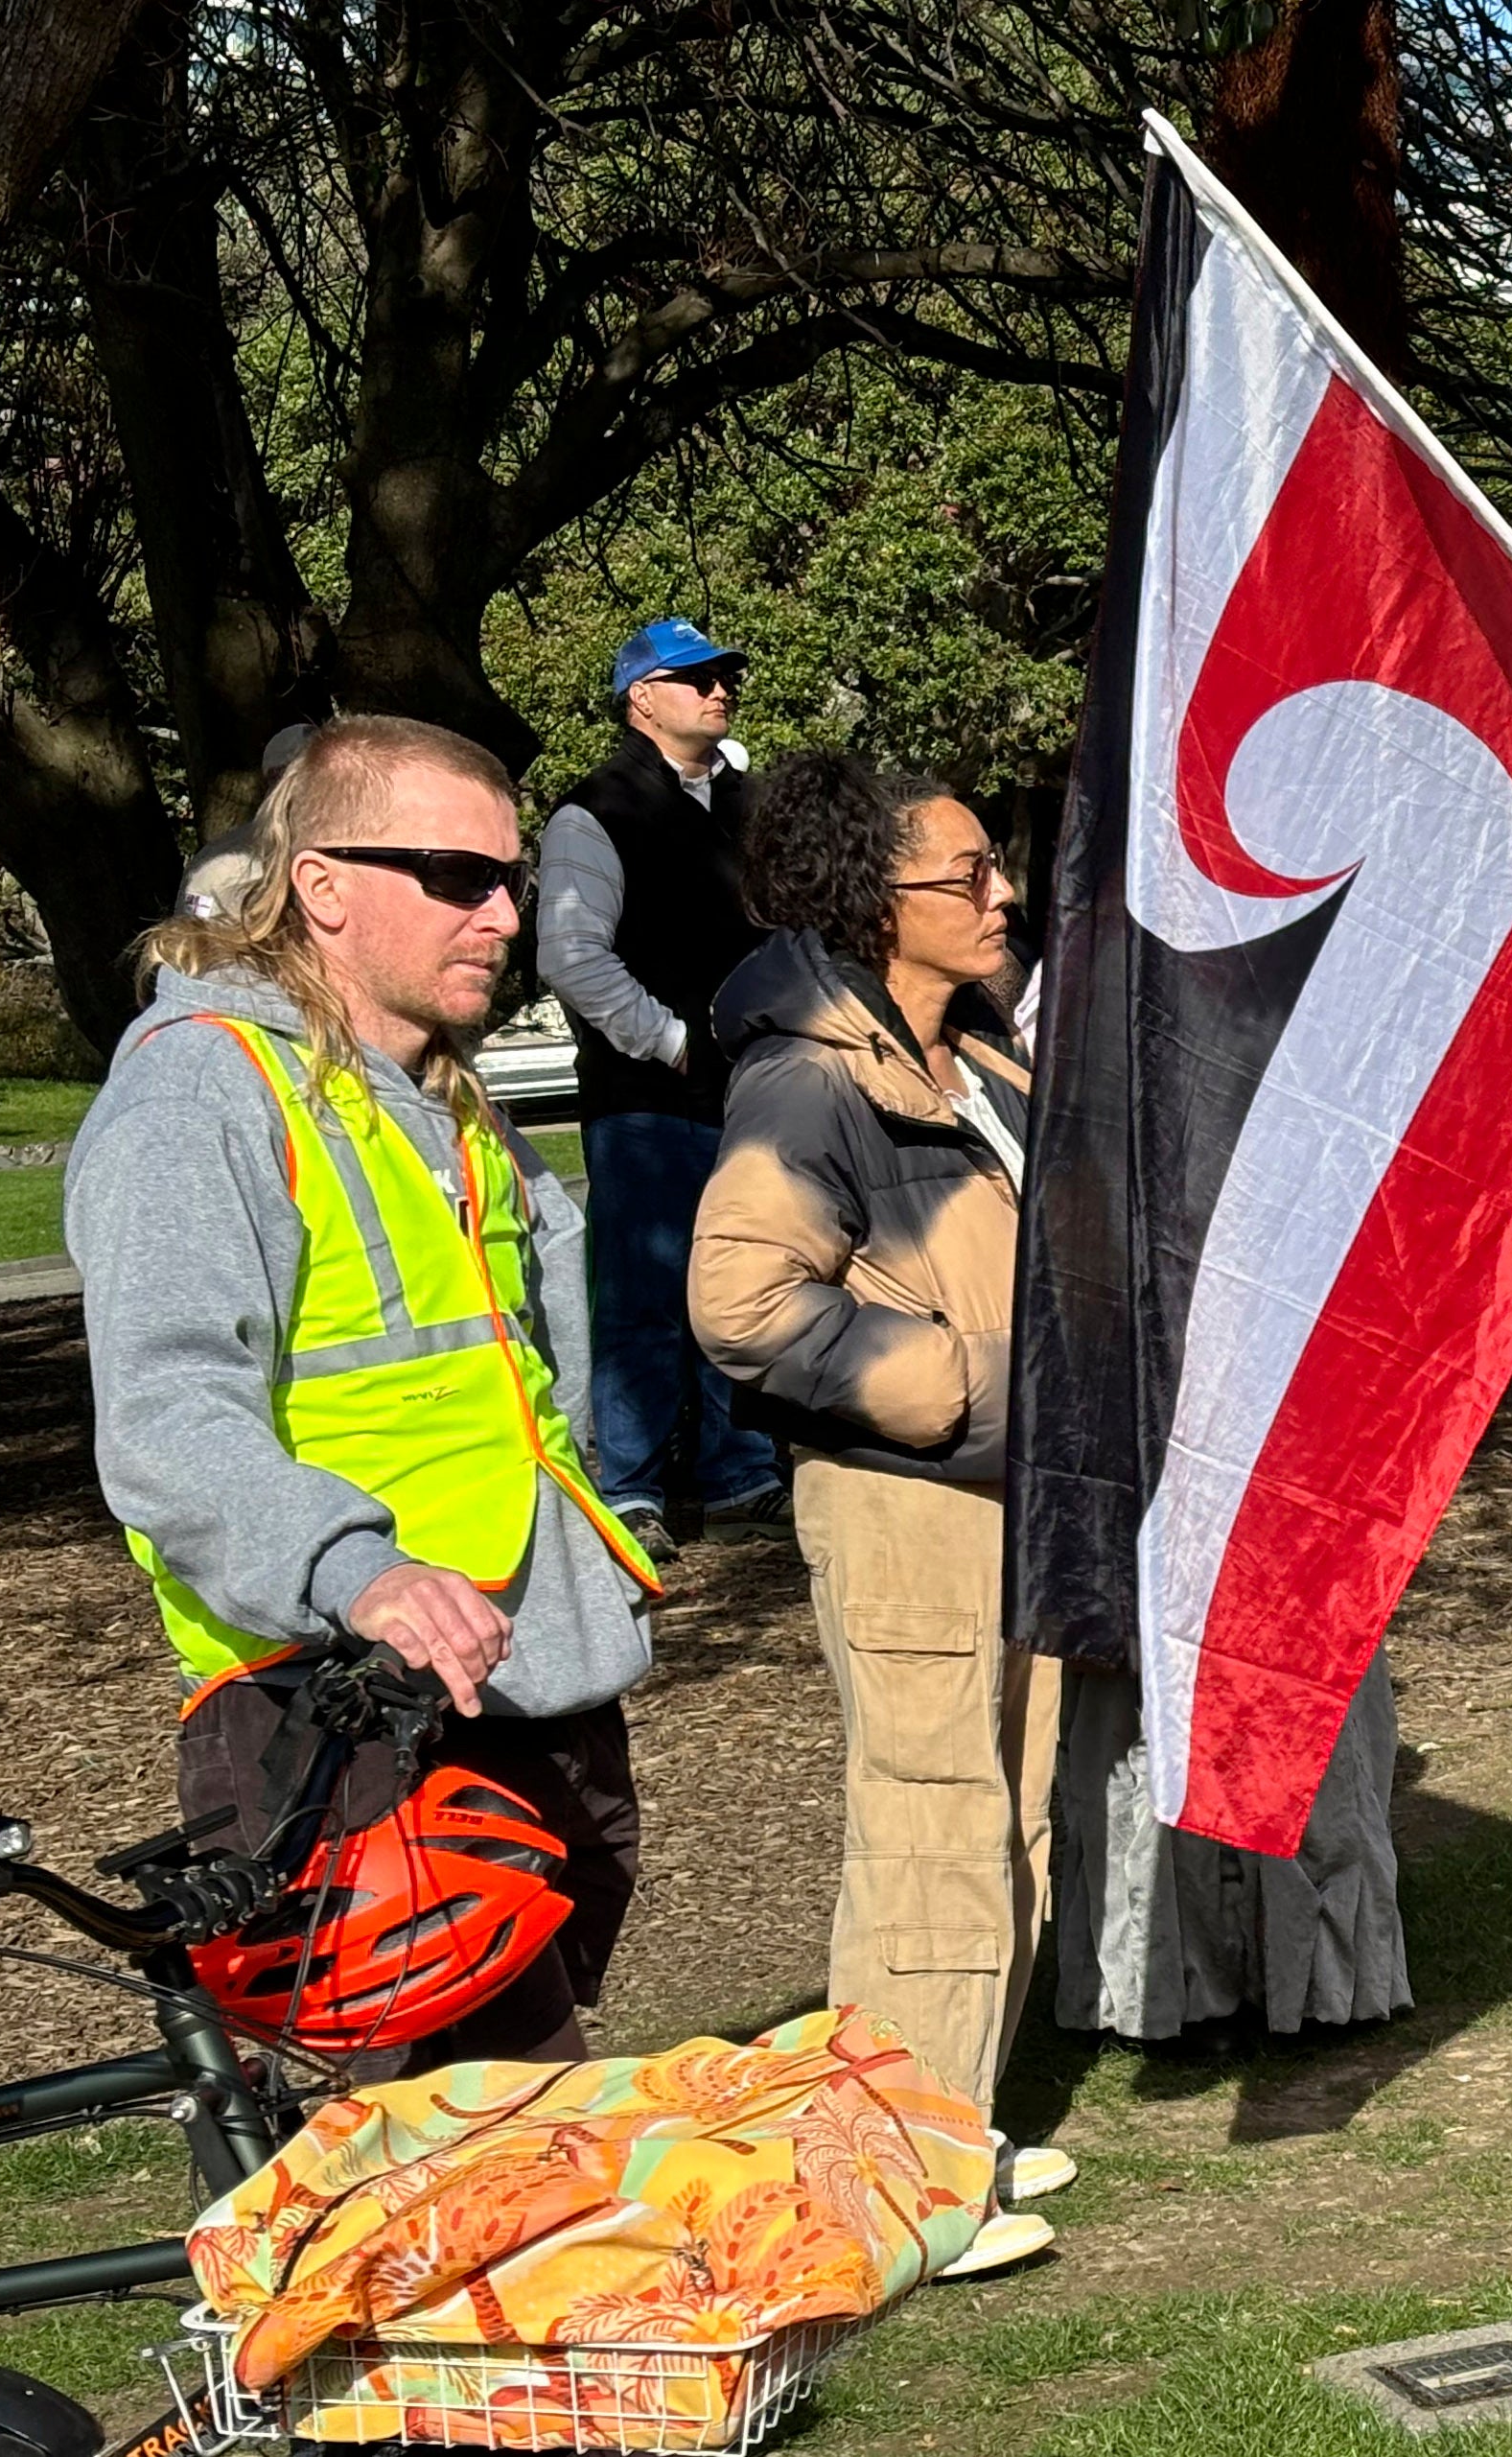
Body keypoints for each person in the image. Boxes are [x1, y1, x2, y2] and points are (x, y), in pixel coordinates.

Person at [70, 716, 662, 2075]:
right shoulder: (200, 1094)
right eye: (458, 875)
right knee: (472, 2165)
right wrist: (360, 1573)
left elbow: (518, 1377)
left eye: (508, 877)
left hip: (523, 1673)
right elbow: (165, 1420)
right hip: (330, 1704)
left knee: (491, 2141)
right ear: (322, 884)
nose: (506, 912)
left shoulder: (437, 1093)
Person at [686, 754, 1064, 2119]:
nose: (1001, 890)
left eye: (992, 863)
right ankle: (895, 2155)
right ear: (870, 901)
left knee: (1005, 1808)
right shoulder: (805, 1083)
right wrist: (962, 1383)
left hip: (1006, 1495)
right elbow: (740, 1305)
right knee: (930, 1819)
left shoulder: (976, 1057)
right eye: (964, 874)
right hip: (908, 1500)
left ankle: (957, 2130)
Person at [538, 616, 782, 1564]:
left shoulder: (749, 804)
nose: (719, 690)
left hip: (752, 1093)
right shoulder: (595, 811)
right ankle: (631, 1490)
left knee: (746, 1284)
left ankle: (741, 1478)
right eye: (695, 678)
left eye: (725, 675)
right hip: (646, 1102)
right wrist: (675, 1044)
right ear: (641, 697)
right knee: (644, 1295)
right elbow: (571, 956)